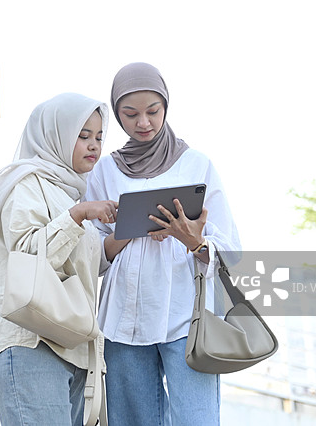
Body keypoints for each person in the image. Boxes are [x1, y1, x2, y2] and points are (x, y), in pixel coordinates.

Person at [85, 62, 241, 425]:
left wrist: (192, 239)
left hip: (186, 319)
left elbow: (231, 249)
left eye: (153, 111)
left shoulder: (196, 165)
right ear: (117, 115)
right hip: (122, 322)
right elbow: (90, 256)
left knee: (197, 420)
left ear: (166, 107)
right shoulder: (105, 171)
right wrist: (127, 229)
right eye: (130, 114)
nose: (143, 123)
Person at [0, 92, 119, 426]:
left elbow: (83, 265)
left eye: (98, 137)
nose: (94, 145)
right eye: (82, 136)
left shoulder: (69, 191)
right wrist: (79, 215)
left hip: (70, 343)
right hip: (28, 340)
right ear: (55, 136)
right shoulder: (26, 182)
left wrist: (130, 232)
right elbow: (28, 254)